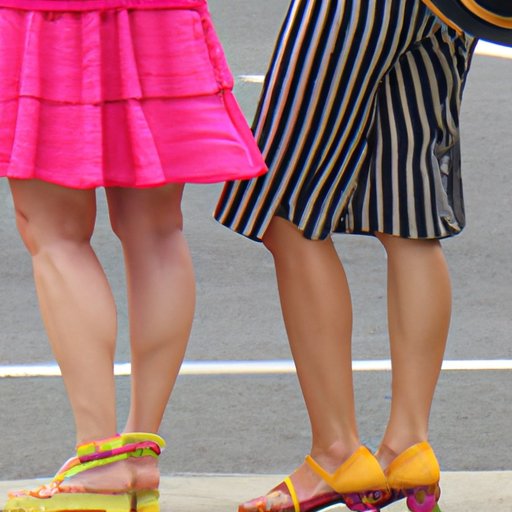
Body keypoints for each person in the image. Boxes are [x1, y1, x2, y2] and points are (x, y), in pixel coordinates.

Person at [0, 1, 266, 511]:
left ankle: (100, 462)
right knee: (157, 229)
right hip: (159, 14)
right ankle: (139, 453)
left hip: (52, 16)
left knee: (55, 232)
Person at [215, 1, 477, 511]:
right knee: (409, 210)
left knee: (284, 208)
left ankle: (336, 451)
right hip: (453, 8)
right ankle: (408, 444)